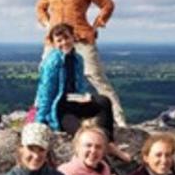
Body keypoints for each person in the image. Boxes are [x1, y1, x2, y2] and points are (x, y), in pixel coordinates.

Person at [35, 0, 126, 125]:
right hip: (55, 40)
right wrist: (47, 24)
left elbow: (107, 4)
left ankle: (119, 120)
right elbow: (40, 7)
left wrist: (98, 22)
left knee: (95, 76)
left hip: (81, 37)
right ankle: (39, 115)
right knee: (46, 73)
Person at [34, 23, 130, 161]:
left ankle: (108, 143)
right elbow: (45, 93)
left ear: (73, 37)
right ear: (54, 44)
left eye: (66, 38)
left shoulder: (78, 59)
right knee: (83, 133)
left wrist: (83, 98)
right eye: (59, 40)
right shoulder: (52, 63)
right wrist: (40, 121)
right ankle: (95, 155)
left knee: (104, 101)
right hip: (60, 109)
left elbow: (79, 84)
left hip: (74, 101)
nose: (64, 42)